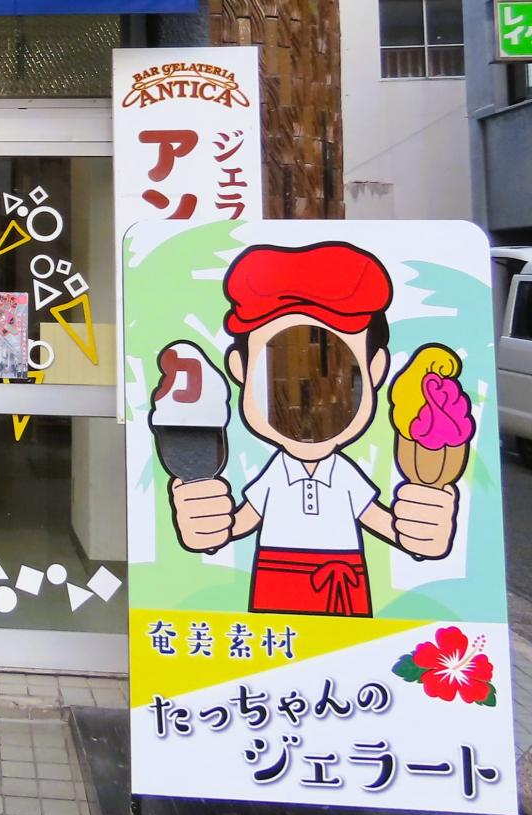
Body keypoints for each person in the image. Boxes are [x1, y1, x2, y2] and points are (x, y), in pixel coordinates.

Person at [166, 242, 458, 617]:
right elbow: (241, 522)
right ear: (239, 368)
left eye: (336, 373)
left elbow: (381, 522)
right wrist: (207, 526)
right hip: (276, 582)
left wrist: (420, 534)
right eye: (282, 374)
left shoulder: (344, 475)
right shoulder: (276, 474)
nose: (310, 400)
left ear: (376, 369)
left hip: (343, 585)